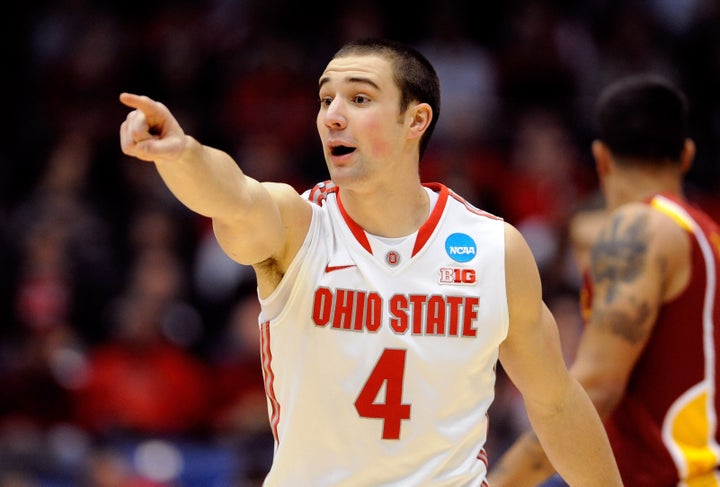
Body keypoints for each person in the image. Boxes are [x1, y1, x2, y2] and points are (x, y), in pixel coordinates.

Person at [119, 38, 620, 486]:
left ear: (415, 120)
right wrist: (182, 154)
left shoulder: (495, 248)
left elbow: (555, 401)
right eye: (325, 98)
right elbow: (231, 197)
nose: (333, 114)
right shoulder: (298, 225)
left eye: (359, 98)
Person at [488, 74, 720, 486]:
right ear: (685, 156)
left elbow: (594, 388)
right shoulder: (708, 235)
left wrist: (502, 482)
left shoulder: (639, 227)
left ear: (601, 157)